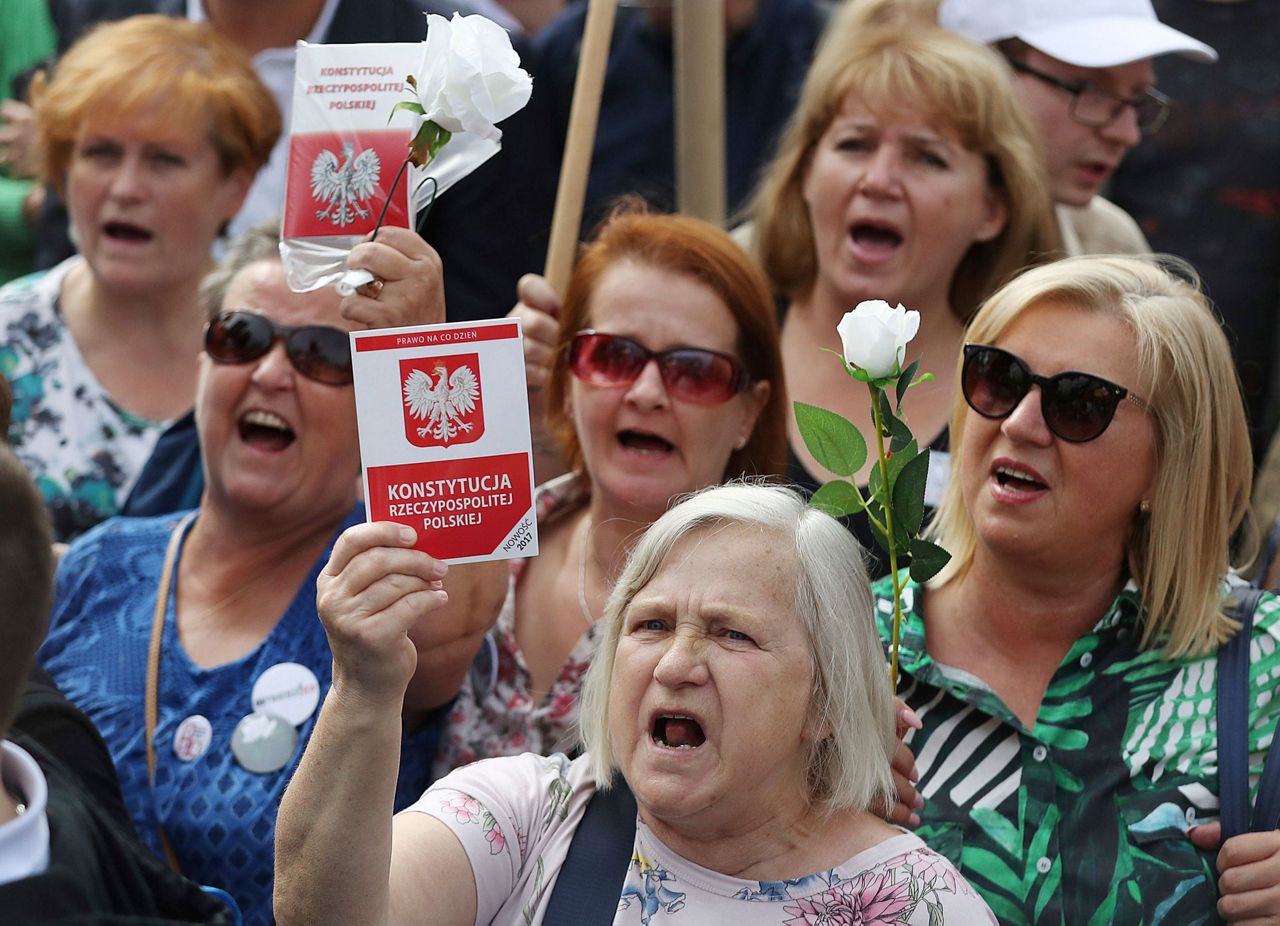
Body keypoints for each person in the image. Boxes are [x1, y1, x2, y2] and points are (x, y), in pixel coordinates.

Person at [38, 223, 506, 925]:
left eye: (321, 354)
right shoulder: (98, 563)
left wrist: (419, 353)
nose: (270, 372)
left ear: (373, 408)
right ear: (201, 357)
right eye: (242, 337)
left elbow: (457, 602)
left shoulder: (374, 582)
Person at [274, 482, 996, 924]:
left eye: (732, 634)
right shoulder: (526, 816)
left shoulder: (919, 906)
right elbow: (327, 916)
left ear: (826, 701)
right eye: (650, 625)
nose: (678, 664)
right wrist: (365, 689)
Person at [879, 254, 1280, 922]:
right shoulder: (831, 641)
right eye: (998, 378)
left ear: (1168, 467)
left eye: (1080, 403)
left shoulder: (1264, 663)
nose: (1020, 424)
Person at [432, 206, 787, 775]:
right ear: (567, 378)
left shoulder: (779, 620)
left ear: (750, 410)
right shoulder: (485, 524)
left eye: (693, 370)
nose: (647, 392)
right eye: (612, 357)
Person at [750, 22, 1059, 577]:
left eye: (927, 158)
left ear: (993, 209)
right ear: (806, 174)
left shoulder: (1021, 390)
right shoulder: (727, 334)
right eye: (854, 144)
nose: (879, 179)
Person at [0, 16, 278, 541]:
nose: (126, 188)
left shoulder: (283, 353)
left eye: (164, 160)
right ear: (62, 169)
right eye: (101, 153)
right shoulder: (6, 335)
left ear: (235, 186)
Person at [0, 444, 236, 924]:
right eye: (233, 359)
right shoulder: (103, 558)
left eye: (329, 364)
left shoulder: (51, 735)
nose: (271, 374)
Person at [937, 0, 1217, 256]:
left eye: (1138, 97)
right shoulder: (897, 244)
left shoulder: (1110, 249)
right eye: (1089, 89)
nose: (1127, 134)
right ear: (975, 72)